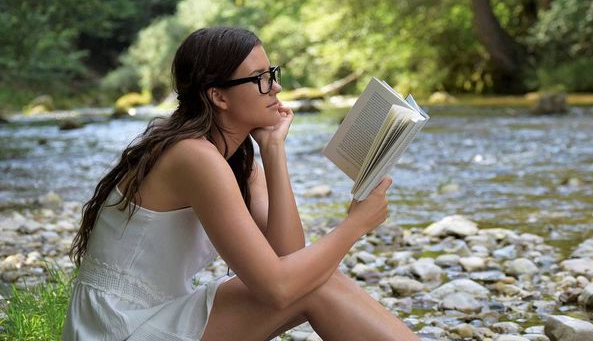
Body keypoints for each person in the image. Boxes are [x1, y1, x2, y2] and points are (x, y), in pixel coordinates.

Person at [63, 27, 419, 340]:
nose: (276, 86)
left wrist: (274, 150)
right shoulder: (192, 156)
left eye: (272, 73)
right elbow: (278, 289)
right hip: (118, 328)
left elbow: (289, 256)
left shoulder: (235, 161)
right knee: (317, 282)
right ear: (218, 96)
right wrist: (355, 225)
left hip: (158, 316)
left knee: (317, 278)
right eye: (261, 78)